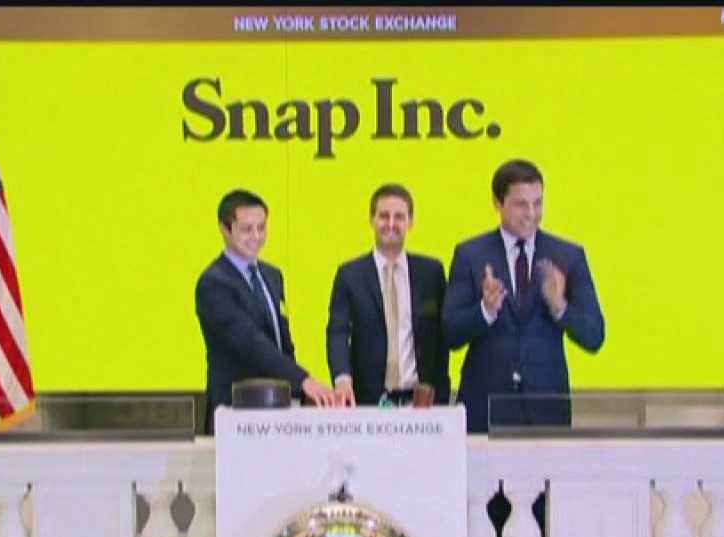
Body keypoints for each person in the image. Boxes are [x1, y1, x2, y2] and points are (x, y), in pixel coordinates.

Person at [442, 160, 606, 433]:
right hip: (484, 408)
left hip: (546, 409)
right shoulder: (470, 255)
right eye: (521, 204)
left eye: (538, 203)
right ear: (497, 202)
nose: (531, 213)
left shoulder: (568, 255)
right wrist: (485, 311)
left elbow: (594, 336)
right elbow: (450, 333)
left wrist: (561, 307)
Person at [195, 189, 335, 432]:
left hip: (280, 407)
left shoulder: (272, 275)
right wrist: (303, 379)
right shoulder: (213, 283)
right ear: (225, 229)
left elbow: (282, 340)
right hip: (236, 408)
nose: (256, 236)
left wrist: (297, 392)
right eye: (247, 229)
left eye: (261, 228)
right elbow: (250, 341)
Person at [326, 184, 451, 407]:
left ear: (410, 222)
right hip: (368, 401)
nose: (391, 224)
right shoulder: (350, 275)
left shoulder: (431, 273)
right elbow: (338, 332)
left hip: (424, 403)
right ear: (371, 220)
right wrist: (342, 379)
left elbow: (446, 329)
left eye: (399, 217)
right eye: (384, 216)